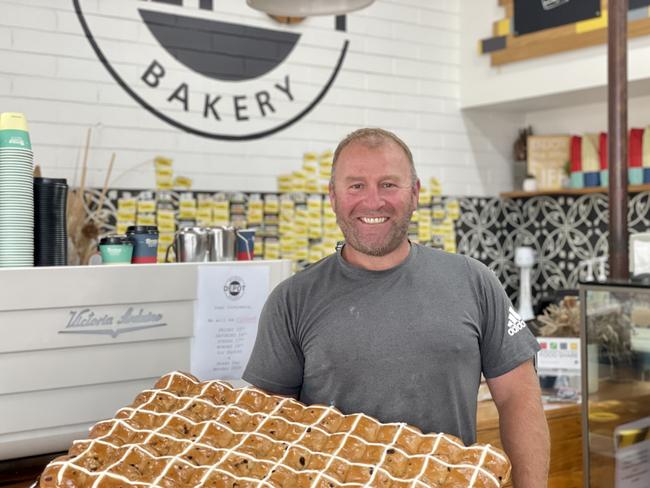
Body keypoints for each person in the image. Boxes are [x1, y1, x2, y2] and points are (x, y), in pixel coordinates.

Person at [243, 128, 550, 487]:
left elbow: (519, 397)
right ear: (333, 196)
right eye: (356, 185)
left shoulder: (474, 281)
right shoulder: (291, 301)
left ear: (415, 193)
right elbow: (269, 432)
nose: (373, 201)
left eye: (388, 184)